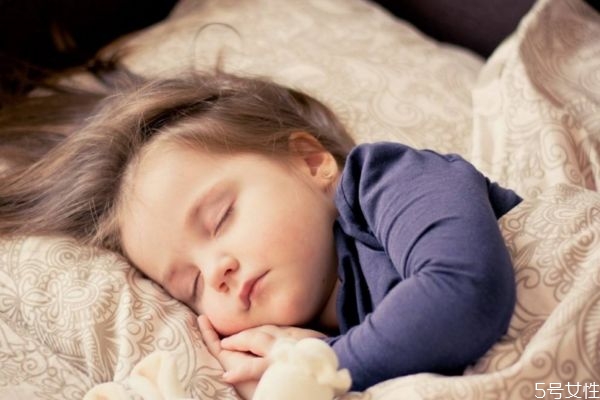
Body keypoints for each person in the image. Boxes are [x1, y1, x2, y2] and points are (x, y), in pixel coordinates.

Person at [0, 67, 521, 400]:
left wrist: (327, 363)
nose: (217, 271)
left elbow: (465, 291)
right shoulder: (313, 338)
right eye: (191, 286)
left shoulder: (390, 179)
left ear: (311, 161)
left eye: (221, 217)